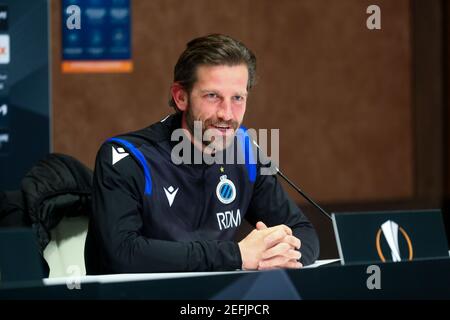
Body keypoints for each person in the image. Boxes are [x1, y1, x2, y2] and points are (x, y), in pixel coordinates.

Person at [84, 34, 319, 274]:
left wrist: (278, 254)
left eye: (237, 98)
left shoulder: (244, 149)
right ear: (180, 97)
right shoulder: (126, 157)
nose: (227, 114)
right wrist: (236, 256)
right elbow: (121, 254)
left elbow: (304, 233)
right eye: (212, 96)